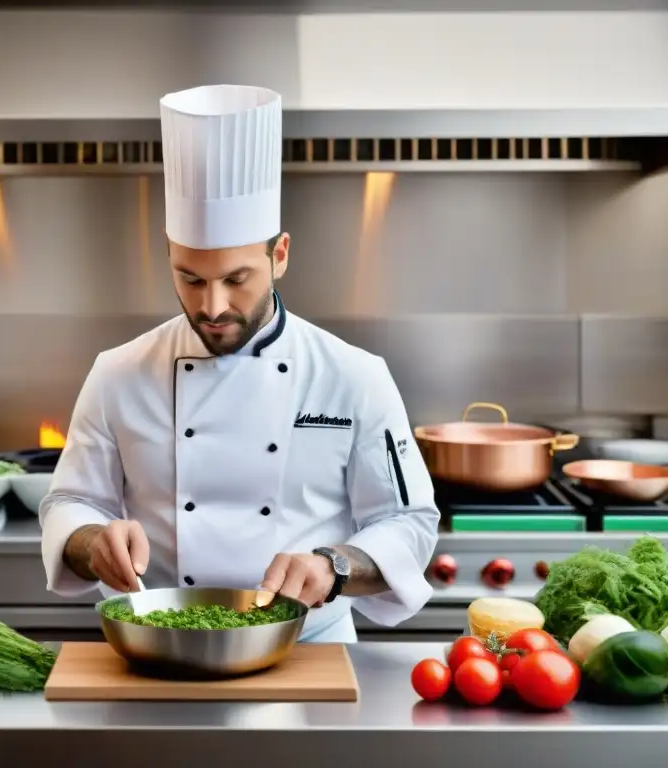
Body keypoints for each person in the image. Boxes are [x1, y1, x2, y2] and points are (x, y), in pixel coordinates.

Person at [39, 84, 440, 643]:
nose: (212, 306)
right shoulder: (117, 373)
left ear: (279, 255)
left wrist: (335, 566)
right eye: (191, 279)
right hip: (156, 643)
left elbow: (408, 522)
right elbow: (72, 502)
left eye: (236, 279)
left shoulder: (354, 375)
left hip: (309, 647)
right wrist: (88, 542)